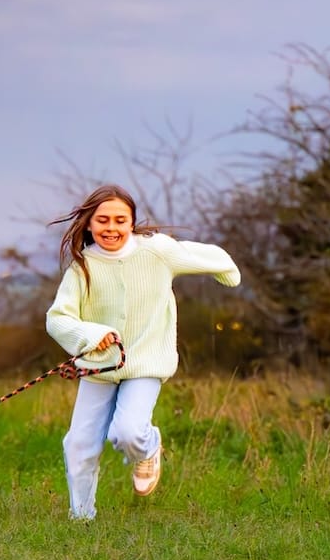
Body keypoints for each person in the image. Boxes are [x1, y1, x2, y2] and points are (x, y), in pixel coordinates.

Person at [45, 184, 241, 520]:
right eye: (102, 220)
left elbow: (212, 256)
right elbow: (58, 319)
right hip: (98, 367)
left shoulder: (157, 251)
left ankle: (149, 448)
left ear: (132, 222)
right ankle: (81, 519)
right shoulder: (82, 266)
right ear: (89, 224)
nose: (111, 228)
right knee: (78, 444)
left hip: (146, 363)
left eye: (120, 220)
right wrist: (92, 334)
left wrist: (228, 275)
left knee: (128, 432)